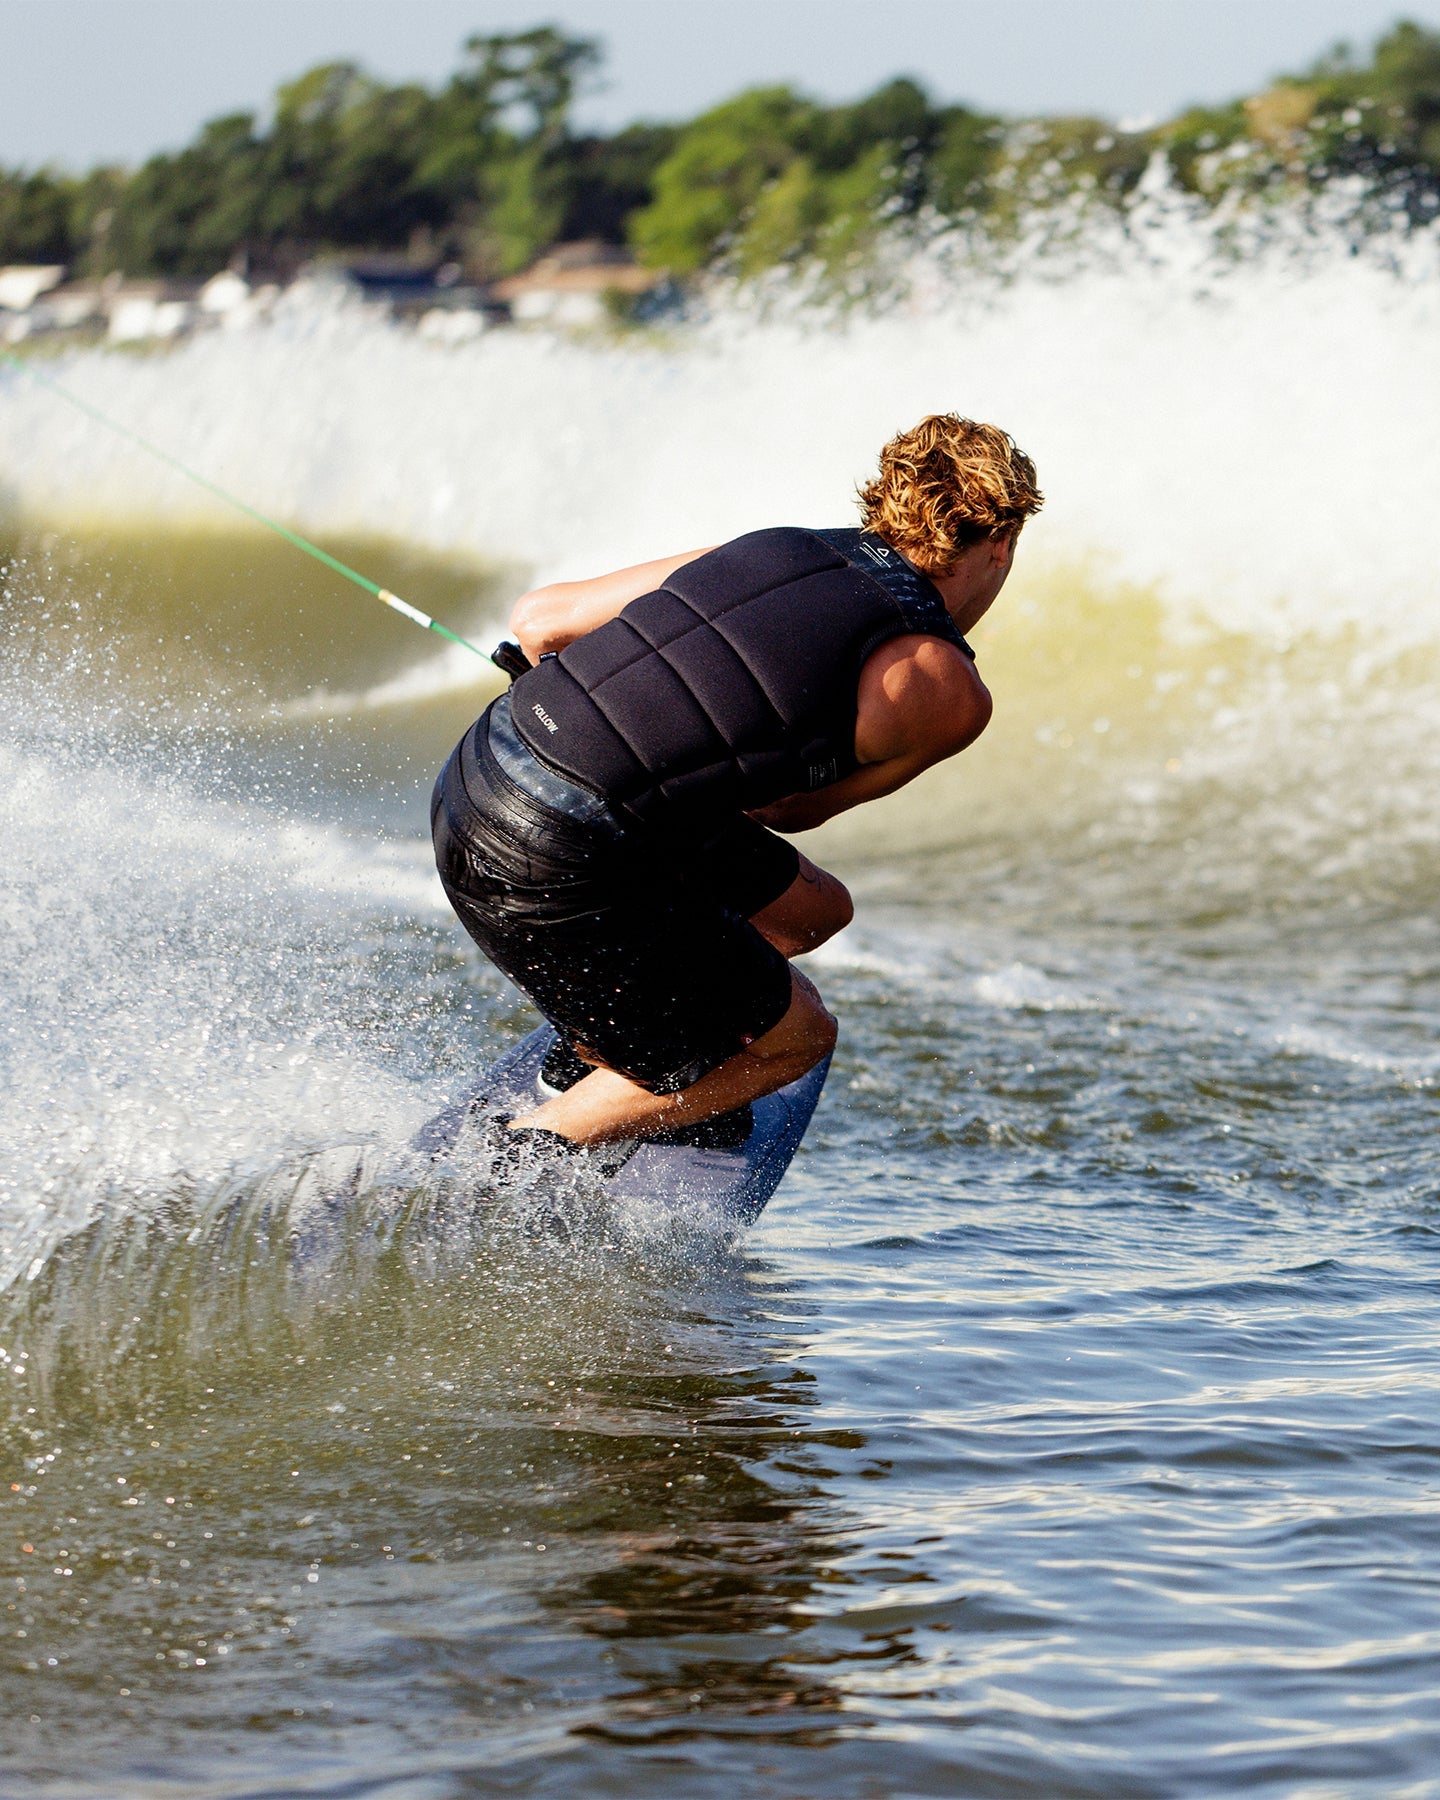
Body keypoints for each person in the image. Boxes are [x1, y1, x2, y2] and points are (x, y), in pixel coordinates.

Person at [431, 413, 1042, 1156]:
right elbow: (793, 810)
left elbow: (541, 623)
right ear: (1001, 544)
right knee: (795, 1041)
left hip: (478, 773)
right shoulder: (945, 688)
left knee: (813, 911)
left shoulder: (776, 547)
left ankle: (603, 1050)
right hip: (565, 856)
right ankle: (522, 1152)